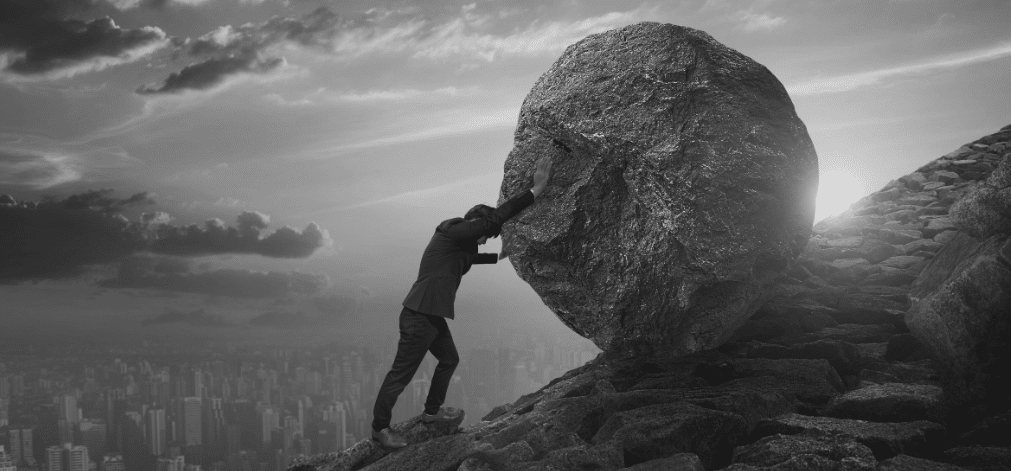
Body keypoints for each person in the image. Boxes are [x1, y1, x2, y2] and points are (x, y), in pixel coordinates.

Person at [370, 154, 555, 448]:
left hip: (430, 316)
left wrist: (503, 252)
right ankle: (380, 430)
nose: (484, 240)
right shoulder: (452, 229)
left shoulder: (461, 248)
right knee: (401, 375)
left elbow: (478, 257)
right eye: (484, 235)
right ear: (475, 224)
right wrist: (534, 191)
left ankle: (431, 413)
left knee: (449, 359)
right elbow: (494, 220)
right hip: (419, 315)